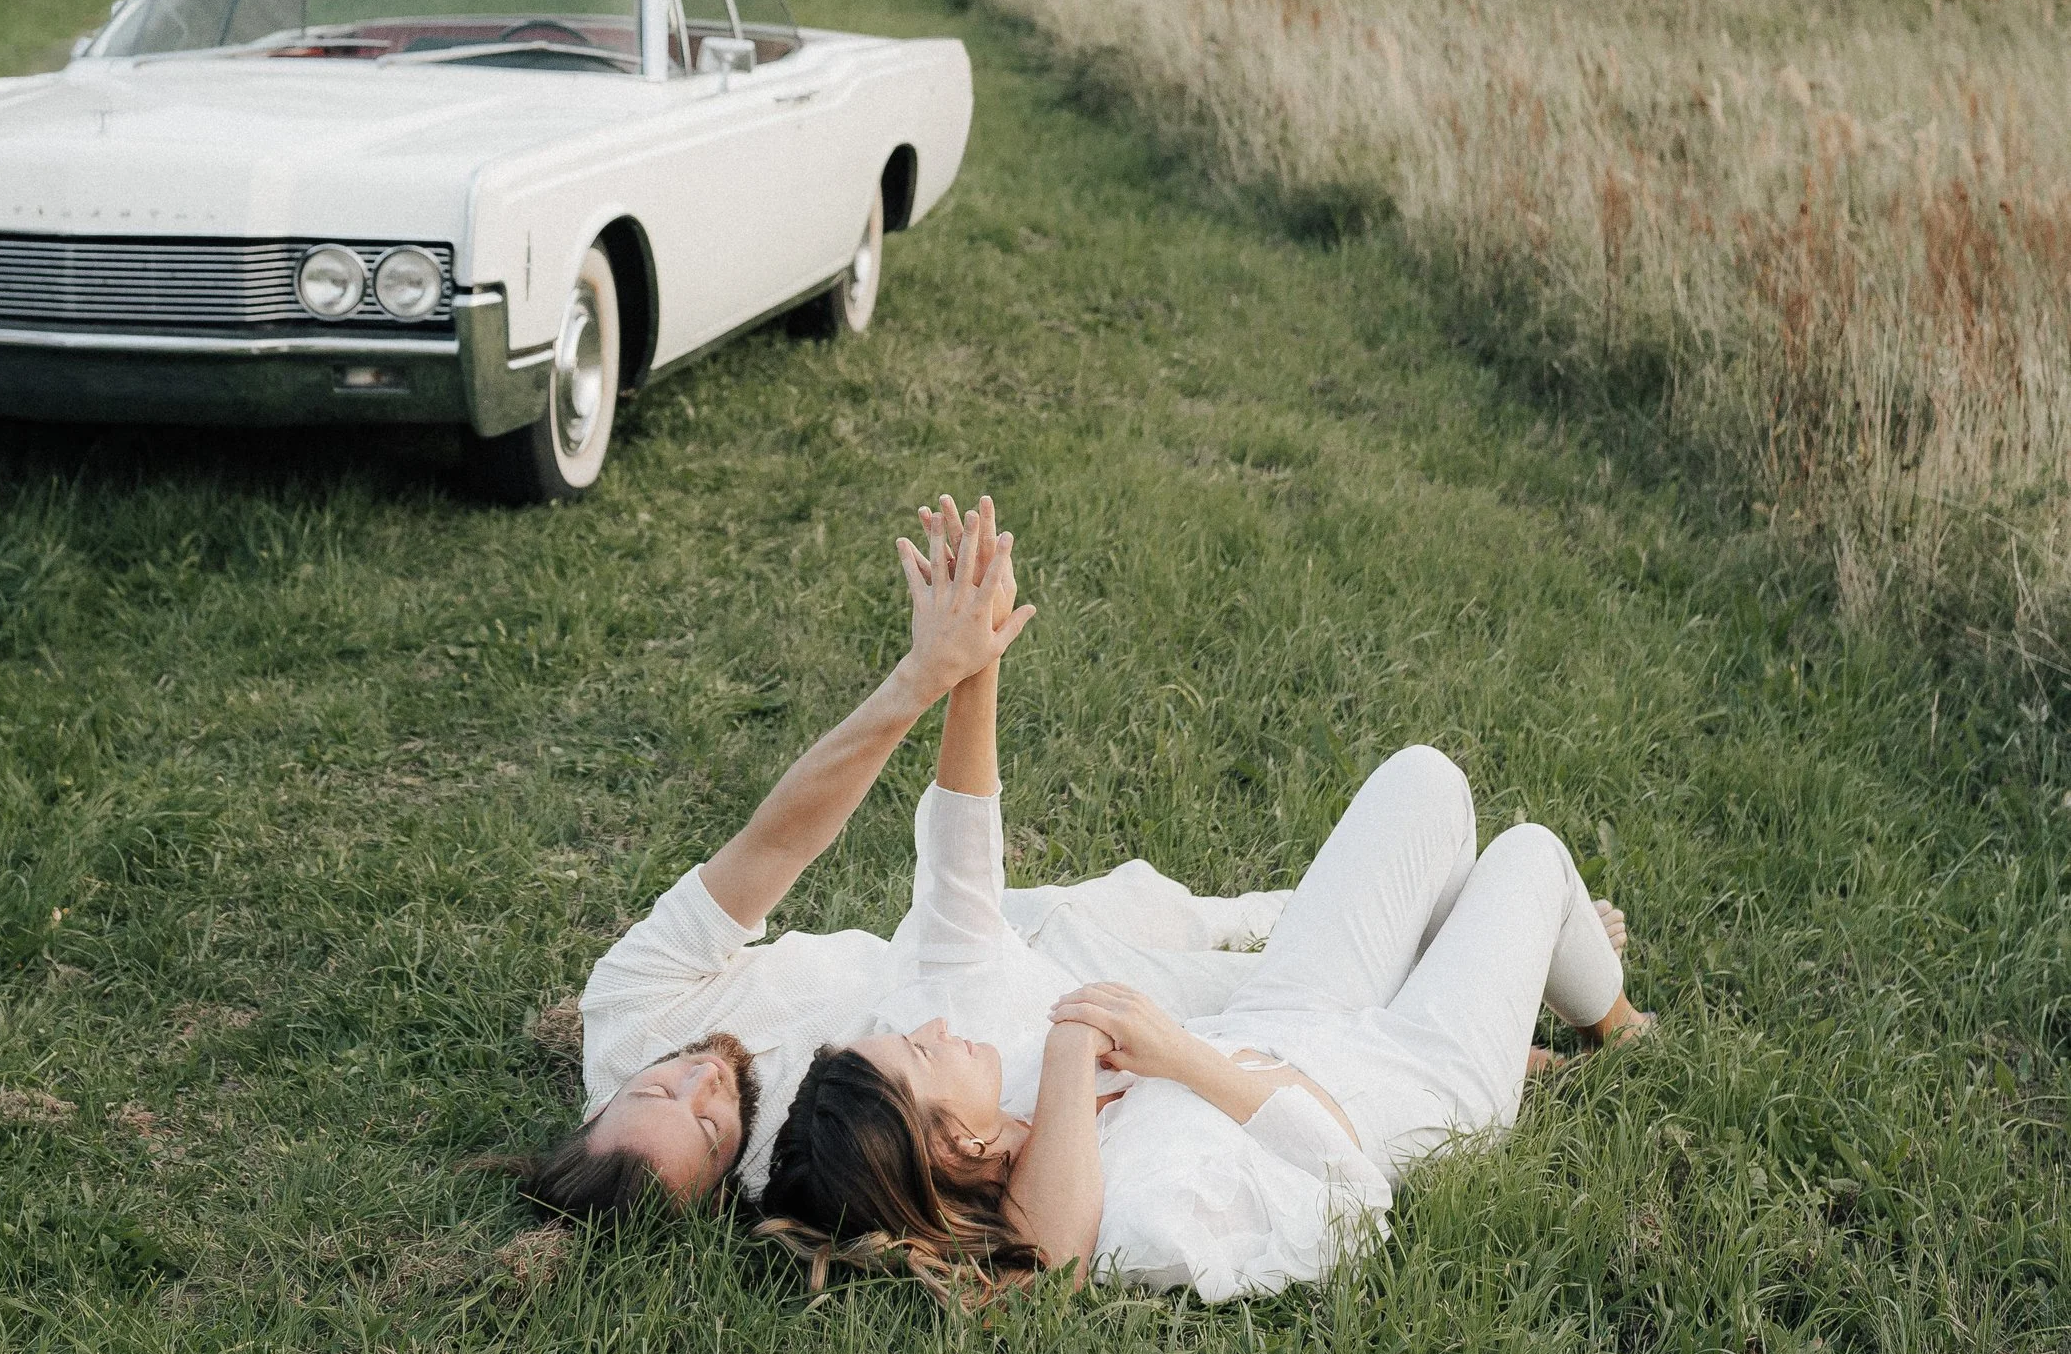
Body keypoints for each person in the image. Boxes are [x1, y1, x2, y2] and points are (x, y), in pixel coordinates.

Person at [761, 510, 1650, 1298]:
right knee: (1528, 857)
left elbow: (959, 871)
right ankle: (1617, 1028)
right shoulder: (1142, 1218)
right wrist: (1176, 1056)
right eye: (921, 1050)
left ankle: (1482, 976)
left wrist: (973, 663)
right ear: (952, 1145)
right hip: (1413, 1085)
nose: (938, 1026)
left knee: (1426, 778)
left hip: (1292, 1008)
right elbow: (1350, 1188)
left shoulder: (1014, 1103)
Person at [517, 497, 1297, 1221]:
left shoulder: (625, 1009)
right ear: (721, 1187)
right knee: (1276, 991)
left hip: (972, 932)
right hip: (1020, 1032)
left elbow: (777, 843)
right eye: (710, 1128)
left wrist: (936, 673)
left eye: (657, 1089)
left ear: (599, 1107)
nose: (702, 1081)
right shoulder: (794, 1168)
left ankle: (1248, 913)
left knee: (1162, 907)